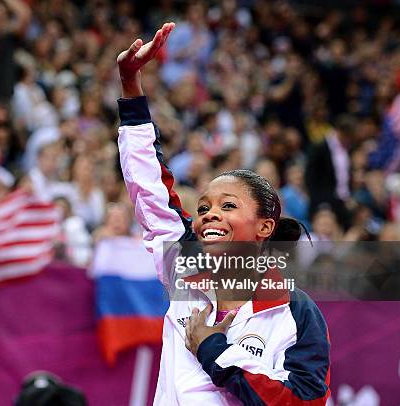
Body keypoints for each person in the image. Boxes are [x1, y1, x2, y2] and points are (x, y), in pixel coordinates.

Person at [116, 23, 330, 405]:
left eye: (227, 206)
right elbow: (149, 188)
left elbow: (304, 402)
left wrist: (214, 351)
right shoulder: (184, 266)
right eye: (203, 208)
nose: (208, 216)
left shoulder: (295, 312)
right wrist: (131, 87)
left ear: (264, 226)